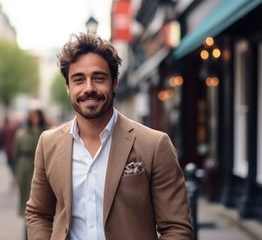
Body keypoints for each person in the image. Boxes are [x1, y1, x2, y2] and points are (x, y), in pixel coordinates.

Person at [25, 33, 193, 239]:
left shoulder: (155, 145)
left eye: (98, 78)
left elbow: (176, 228)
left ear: (114, 82)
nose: (89, 88)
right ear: (68, 87)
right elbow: (38, 213)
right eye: (79, 79)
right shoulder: (48, 144)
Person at [13, 109, 48, 240]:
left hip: (40, 167)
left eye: (37, 116)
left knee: (41, 201)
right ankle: (27, 231)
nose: (35, 119)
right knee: (27, 202)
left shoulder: (46, 133)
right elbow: (15, 154)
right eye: (33, 116)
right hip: (25, 169)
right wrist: (17, 172)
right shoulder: (21, 134)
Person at [0, 114, 19, 179]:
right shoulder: (13, 128)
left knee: (10, 163)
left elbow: (0, 139)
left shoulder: (3, 129)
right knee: (13, 163)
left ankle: (14, 175)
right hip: (13, 148)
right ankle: (15, 175)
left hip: (8, 149)